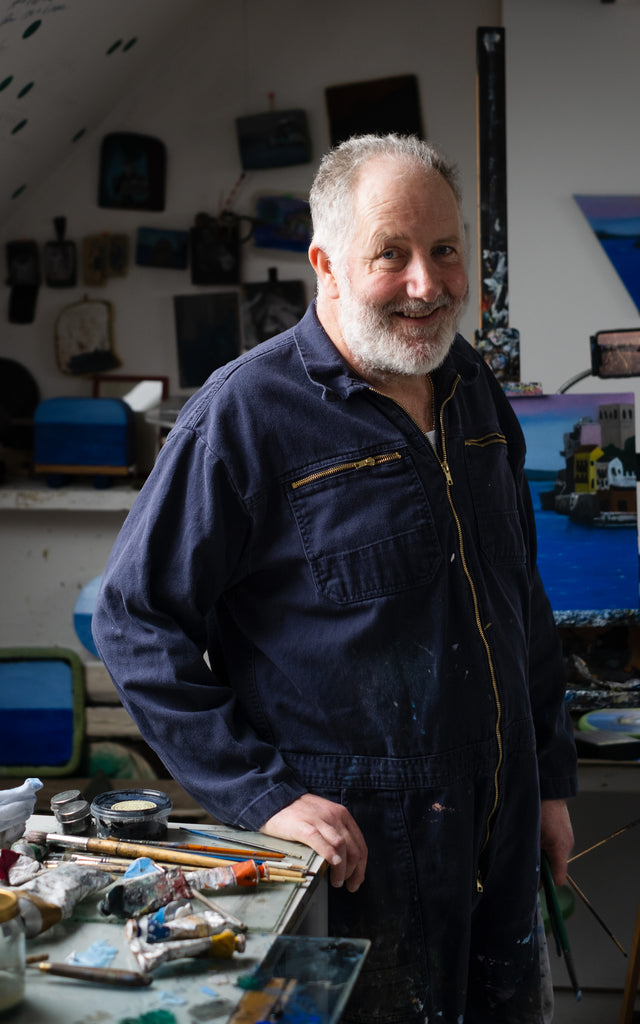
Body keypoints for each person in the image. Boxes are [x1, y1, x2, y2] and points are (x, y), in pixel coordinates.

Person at [92, 133, 577, 1023]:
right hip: (359, 869)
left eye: (445, 251)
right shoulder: (243, 414)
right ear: (325, 263)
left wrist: (549, 781)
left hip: (499, 842)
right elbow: (133, 620)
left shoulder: (473, 391)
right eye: (391, 254)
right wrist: (261, 794)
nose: (427, 285)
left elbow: (520, 602)